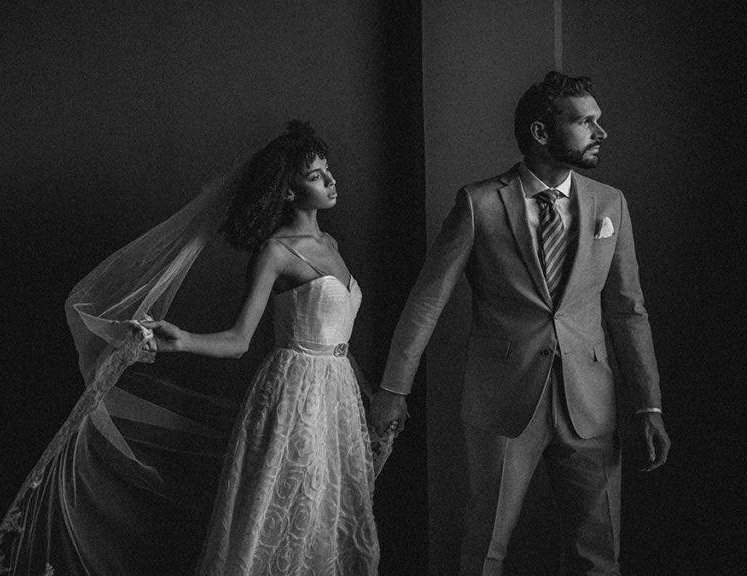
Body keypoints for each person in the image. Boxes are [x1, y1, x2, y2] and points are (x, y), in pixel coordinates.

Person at [369, 71, 672, 575]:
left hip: (591, 404)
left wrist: (648, 404)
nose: (601, 132)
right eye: (584, 122)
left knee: (600, 556)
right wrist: (393, 389)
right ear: (540, 133)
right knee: (485, 550)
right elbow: (427, 302)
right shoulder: (479, 203)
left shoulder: (609, 203)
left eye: (598, 121)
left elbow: (628, 310)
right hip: (503, 403)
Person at [145, 119, 382, 575]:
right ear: (290, 192)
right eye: (316, 176)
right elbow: (239, 341)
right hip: (295, 397)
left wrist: (368, 395)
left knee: (328, 520)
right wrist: (184, 340)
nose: (331, 181)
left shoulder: (330, 242)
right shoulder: (276, 252)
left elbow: (337, 340)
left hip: (338, 398)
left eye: (328, 171)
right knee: (292, 514)